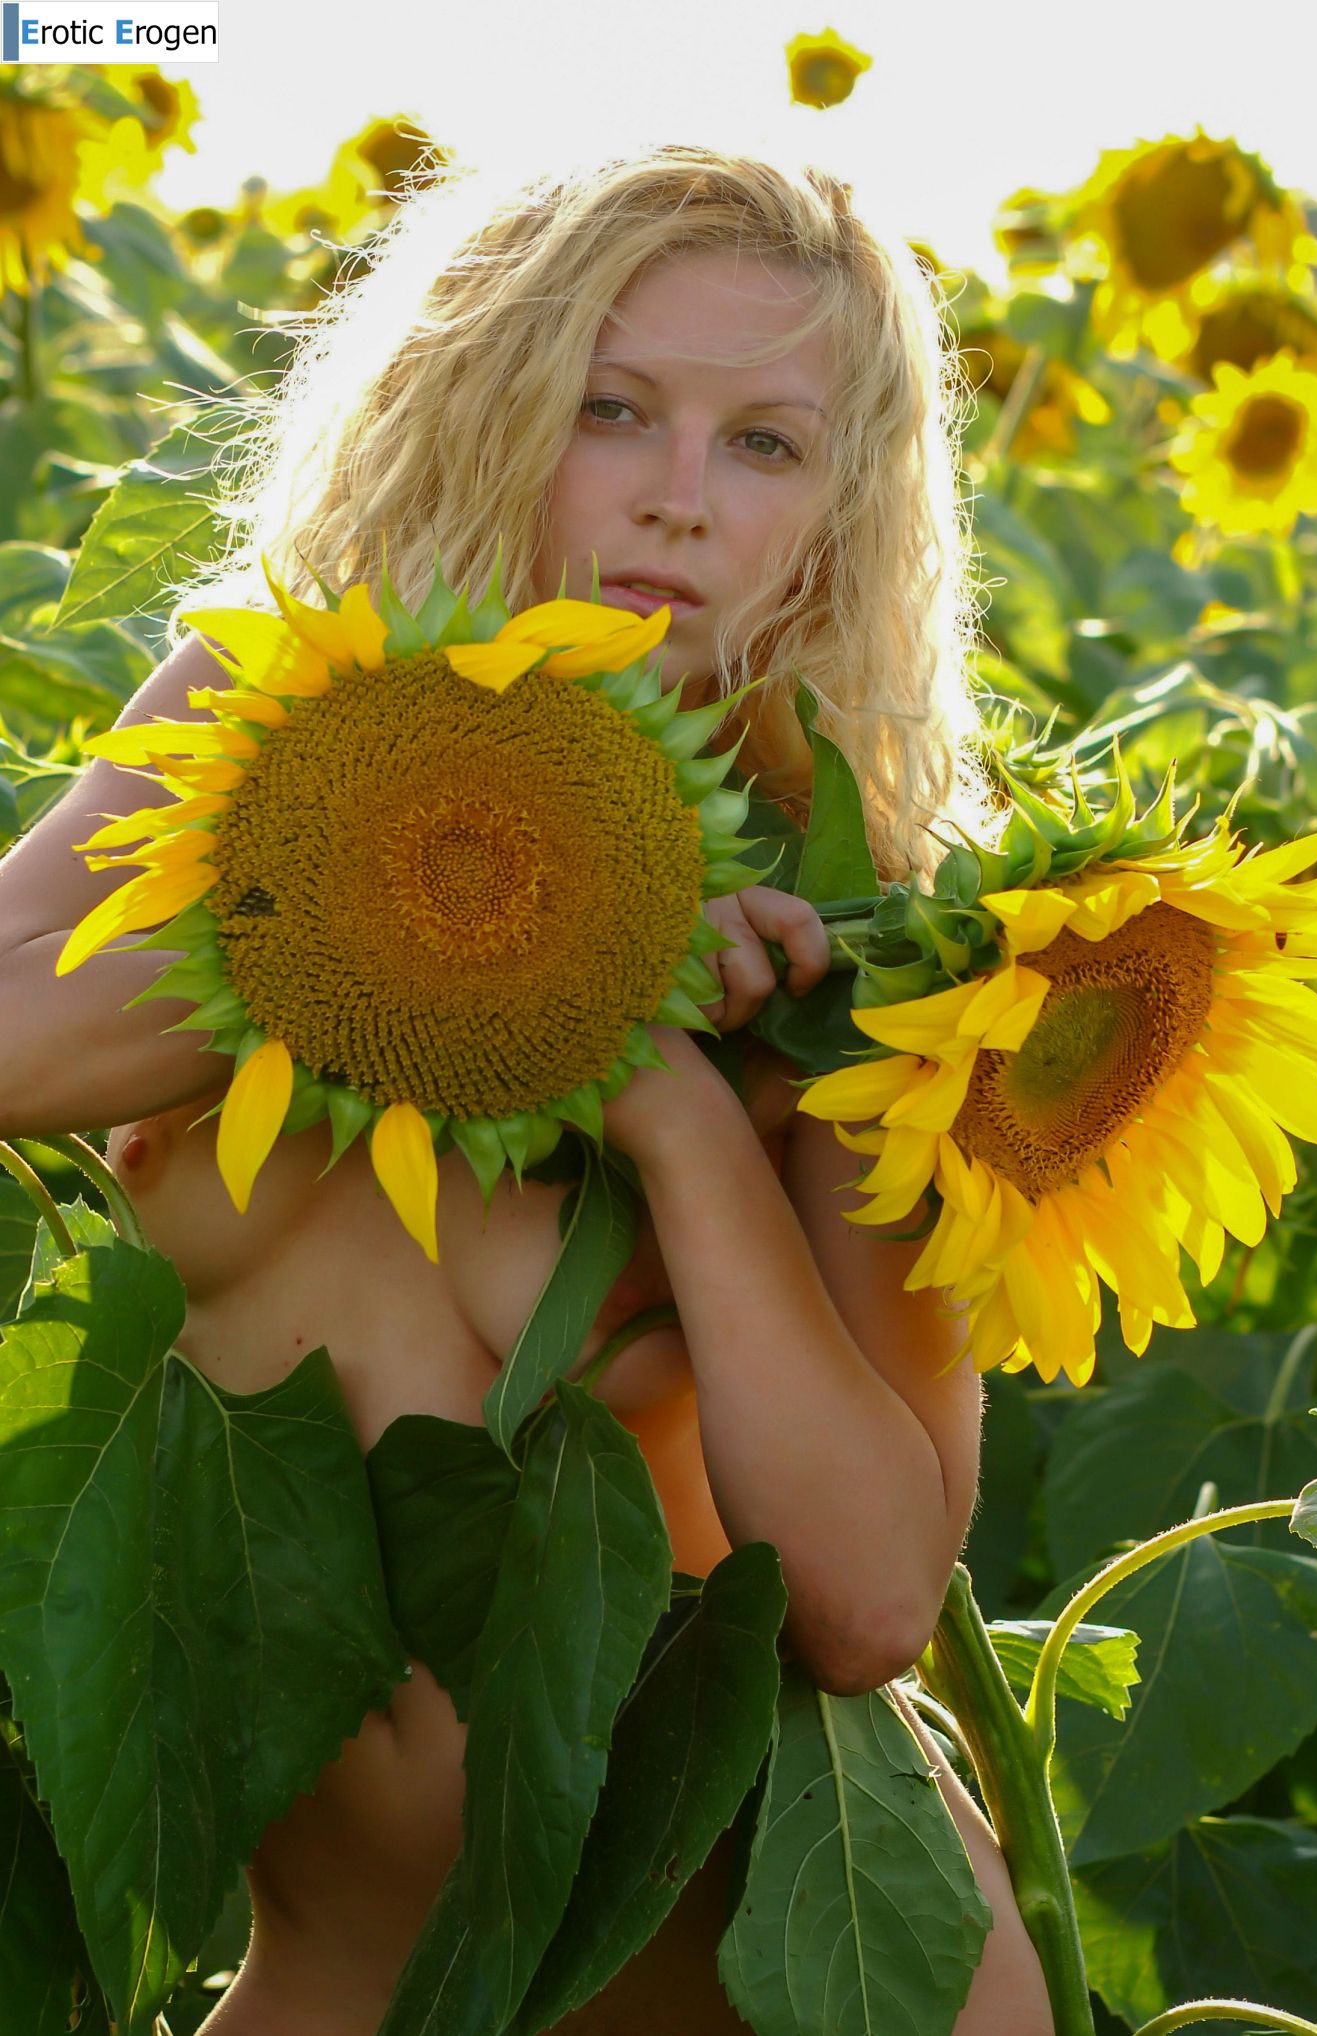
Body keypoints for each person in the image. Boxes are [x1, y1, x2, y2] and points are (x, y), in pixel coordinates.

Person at [0, 142, 1052, 2035]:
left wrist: (675, 1109)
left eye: (765, 445)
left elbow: (871, 1601)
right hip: (336, 1986)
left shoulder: (846, 940)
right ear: (483, 406)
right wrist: (477, 914)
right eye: (610, 407)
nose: (678, 498)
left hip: (748, 1992)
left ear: (838, 515)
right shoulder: (262, 720)